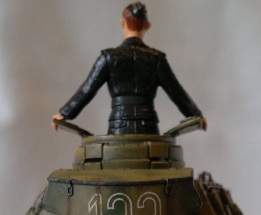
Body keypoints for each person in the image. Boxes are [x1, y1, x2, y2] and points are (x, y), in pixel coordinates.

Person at [52, 3, 206, 135]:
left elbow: (88, 89)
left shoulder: (109, 57)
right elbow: (176, 92)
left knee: (116, 159)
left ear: (122, 23)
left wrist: (65, 114)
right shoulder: (156, 59)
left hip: (119, 125)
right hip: (148, 125)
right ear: (147, 26)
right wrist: (196, 115)